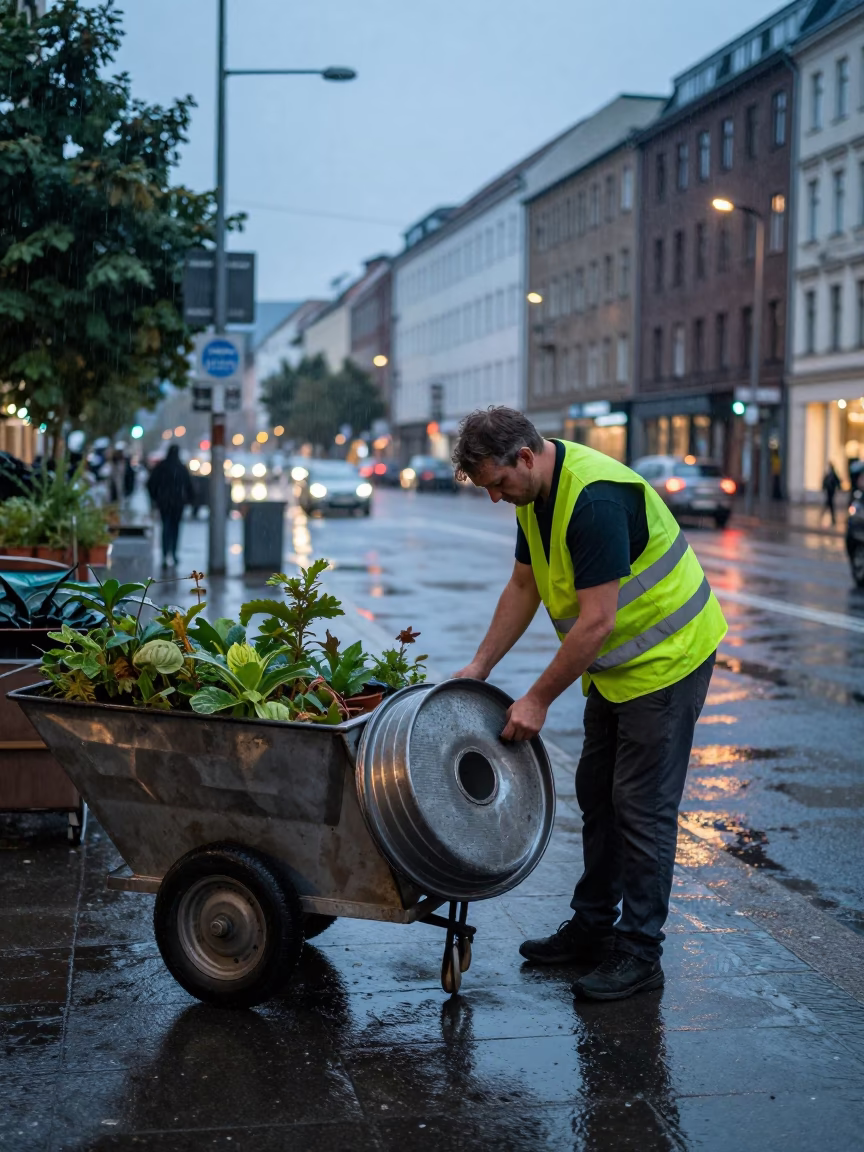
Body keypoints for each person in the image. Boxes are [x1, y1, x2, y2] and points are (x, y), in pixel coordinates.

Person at [451, 407, 727, 1002]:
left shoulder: (594, 501)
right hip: (620, 670)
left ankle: (639, 952)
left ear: (525, 457)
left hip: (670, 658)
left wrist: (537, 699)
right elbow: (524, 585)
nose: (497, 499)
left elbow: (597, 621)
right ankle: (594, 927)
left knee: (642, 805)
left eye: (497, 483)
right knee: (598, 794)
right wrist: (480, 667)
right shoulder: (536, 497)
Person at [146, 444, 194, 570]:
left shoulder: (161, 467)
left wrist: (155, 498)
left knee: (165, 528)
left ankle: (165, 554)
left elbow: (151, 483)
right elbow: (189, 486)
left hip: (164, 503)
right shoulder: (181, 468)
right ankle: (173, 553)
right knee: (175, 529)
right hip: (177, 504)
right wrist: (188, 500)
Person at [822, 461, 841, 526]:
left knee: (829, 505)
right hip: (829, 491)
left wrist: (838, 487)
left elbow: (837, 481)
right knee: (829, 504)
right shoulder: (829, 474)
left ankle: (832, 519)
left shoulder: (833, 474)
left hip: (831, 491)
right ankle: (830, 519)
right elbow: (825, 481)